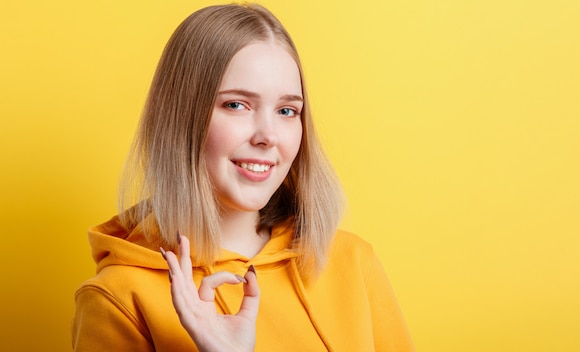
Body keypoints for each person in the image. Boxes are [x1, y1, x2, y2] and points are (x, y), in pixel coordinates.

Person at [72, 3, 414, 351]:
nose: (268, 135)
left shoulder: (352, 262)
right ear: (180, 118)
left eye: (286, 110)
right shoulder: (119, 298)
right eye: (237, 104)